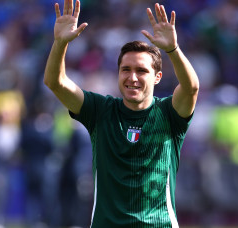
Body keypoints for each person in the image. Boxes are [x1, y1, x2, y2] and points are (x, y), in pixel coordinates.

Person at [43, 0, 199, 227]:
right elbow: (55, 82)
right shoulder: (100, 110)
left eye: (141, 71)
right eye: (126, 69)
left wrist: (173, 50)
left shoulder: (169, 113)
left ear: (157, 77)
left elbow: (191, 88)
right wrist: (59, 43)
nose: (132, 77)